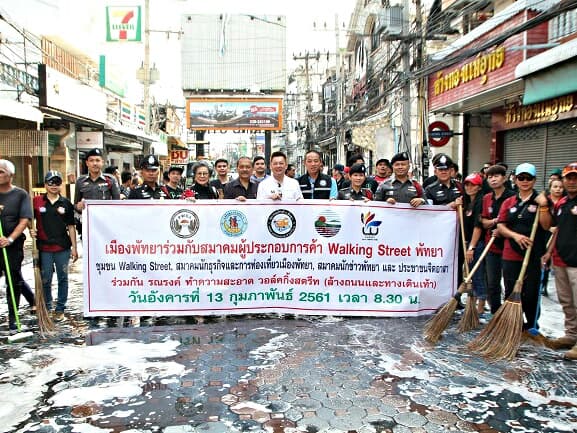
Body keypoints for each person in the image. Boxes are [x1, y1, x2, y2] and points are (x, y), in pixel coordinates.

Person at [497, 163, 551, 332]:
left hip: (533, 255)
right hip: (511, 254)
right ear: (515, 179)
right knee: (510, 291)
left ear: (534, 180)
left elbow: (547, 225)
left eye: (528, 178)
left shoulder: (542, 201)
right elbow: (500, 226)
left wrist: (543, 207)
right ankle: (512, 324)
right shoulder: (509, 201)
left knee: (531, 293)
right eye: (521, 178)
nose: (525, 181)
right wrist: (515, 236)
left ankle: (532, 325)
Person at [542, 162, 577, 359]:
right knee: (567, 301)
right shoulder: (562, 204)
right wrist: (549, 252)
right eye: (569, 178)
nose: (572, 182)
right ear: (562, 180)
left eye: (575, 178)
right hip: (561, 259)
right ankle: (571, 335)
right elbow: (556, 229)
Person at [32, 171, 78, 321]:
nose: (53, 186)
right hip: (44, 248)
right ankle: (47, 306)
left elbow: (71, 227)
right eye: (50, 182)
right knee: (45, 278)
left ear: (61, 185)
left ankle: (60, 309)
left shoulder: (66, 203)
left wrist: (74, 248)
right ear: (45, 184)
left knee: (63, 277)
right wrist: (30, 229)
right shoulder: (37, 201)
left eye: (57, 182)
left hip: (62, 247)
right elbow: (27, 217)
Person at [0, 159, 35, 334]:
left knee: (12, 279)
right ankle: (32, 299)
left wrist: (10, 239)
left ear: (10, 175)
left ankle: (13, 317)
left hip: (13, 245)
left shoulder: (20, 195)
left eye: (1, 172)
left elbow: (24, 220)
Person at [480, 164, 516, 314]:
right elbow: (483, 221)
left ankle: (508, 314)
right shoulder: (487, 198)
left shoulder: (513, 197)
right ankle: (495, 312)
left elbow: (515, 222)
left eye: (496, 176)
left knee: (510, 283)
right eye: (490, 177)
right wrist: (495, 223)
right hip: (491, 246)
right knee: (492, 284)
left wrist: (502, 230)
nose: (493, 179)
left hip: (510, 247)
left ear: (504, 178)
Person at [74, 148, 121, 232]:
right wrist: (78, 206)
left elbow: (117, 204)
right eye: (91, 160)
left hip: (106, 224)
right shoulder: (80, 181)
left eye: (97, 160)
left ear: (102, 162)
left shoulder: (111, 180)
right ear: (87, 163)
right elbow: (75, 205)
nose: (94, 163)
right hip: (87, 225)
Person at [460, 173, 487, 314]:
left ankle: (481, 304)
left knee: (477, 273)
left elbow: (478, 227)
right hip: (468, 241)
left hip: (478, 243)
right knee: (471, 272)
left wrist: (472, 247)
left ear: (479, 187)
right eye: (467, 184)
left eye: (473, 185)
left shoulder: (480, 202)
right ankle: (474, 301)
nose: (469, 187)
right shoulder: (466, 202)